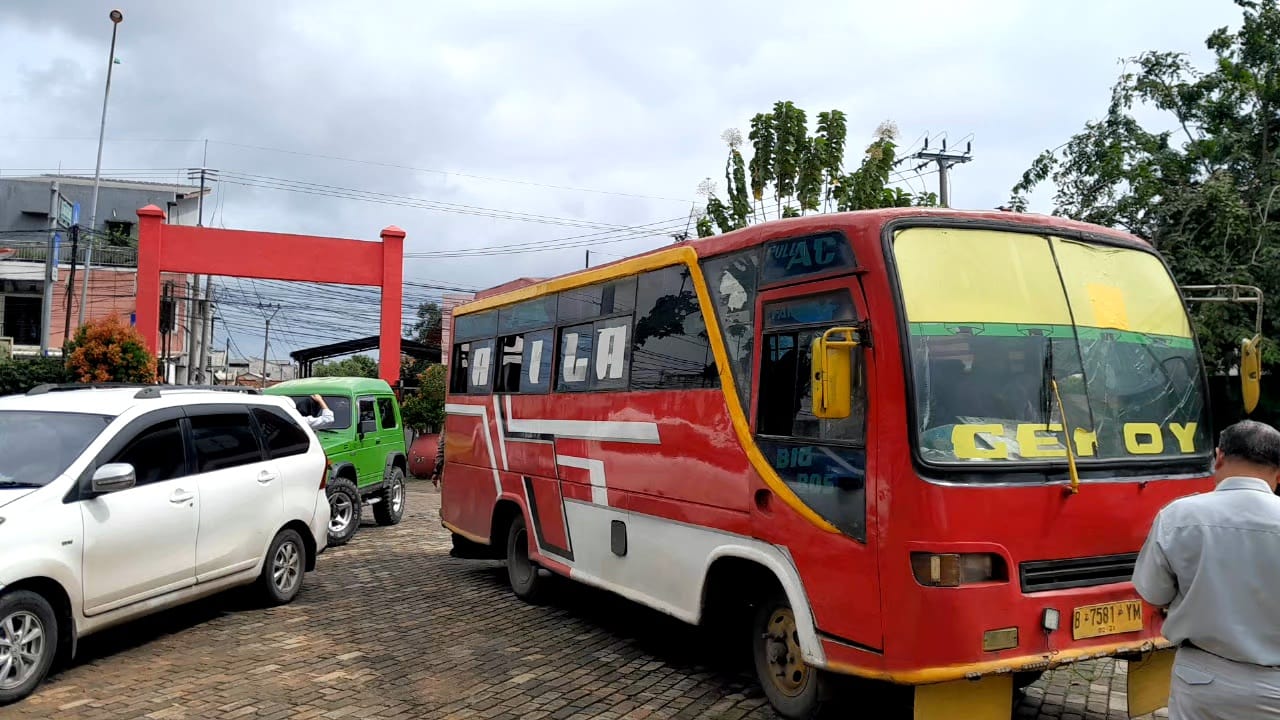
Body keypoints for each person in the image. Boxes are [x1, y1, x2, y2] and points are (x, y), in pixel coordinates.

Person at [1132, 419, 1280, 719]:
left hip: (1201, 679)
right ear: (1279, 472)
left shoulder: (1179, 516)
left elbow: (1152, 592)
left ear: (1219, 457)